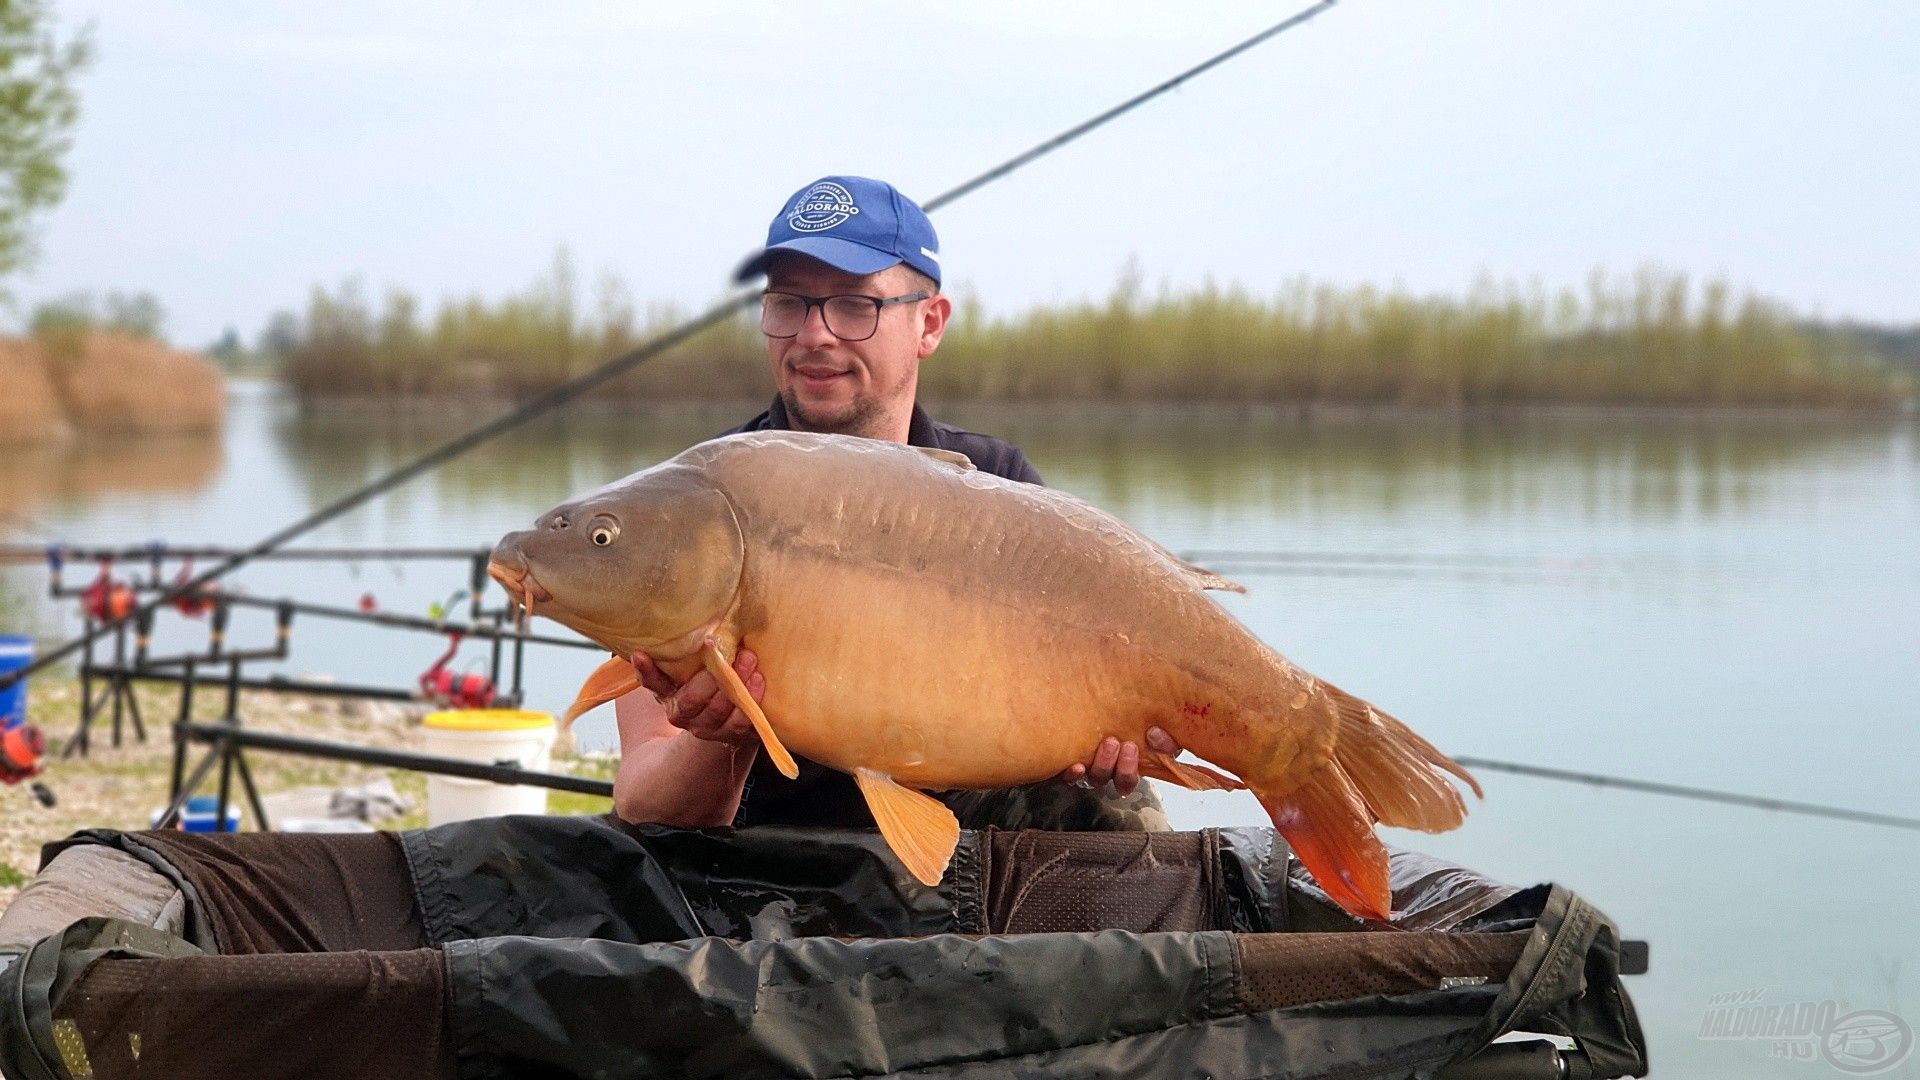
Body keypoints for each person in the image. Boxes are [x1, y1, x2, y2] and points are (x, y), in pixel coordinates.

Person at [611, 176, 1177, 834]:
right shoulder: (695, 510)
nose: (814, 335)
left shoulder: (998, 483)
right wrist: (721, 737)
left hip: (963, 828)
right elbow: (645, 799)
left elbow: (1072, 713)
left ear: (928, 323)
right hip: (768, 859)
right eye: (789, 303)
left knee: (1117, 809)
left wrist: (1101, 737)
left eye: (854, 306)